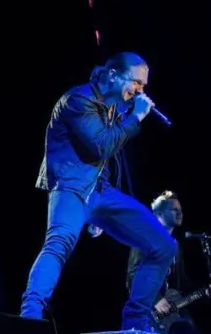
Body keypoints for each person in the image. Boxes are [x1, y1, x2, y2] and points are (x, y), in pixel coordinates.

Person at [19, 52, 177, 331]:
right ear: (114, 75)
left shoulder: (113, 106)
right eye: (137, 83)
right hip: (71, 188)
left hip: (102, 191)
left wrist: (100, 215)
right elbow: (101, 146)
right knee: (59, 244)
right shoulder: (78, 100)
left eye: (143, 86)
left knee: (163, 245)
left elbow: (108, 156)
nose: (140, 90)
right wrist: (136, 116)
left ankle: (137, 320)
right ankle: (29, 317)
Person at [128, 191, 202, 334]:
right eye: (174, 210)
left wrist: (203, 289)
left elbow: (182, 282)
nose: (180, 213)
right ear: (160, 213)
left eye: (180, 210)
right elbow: (133, 274)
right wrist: (156, 299)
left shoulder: (175, 245)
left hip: (173, 305)